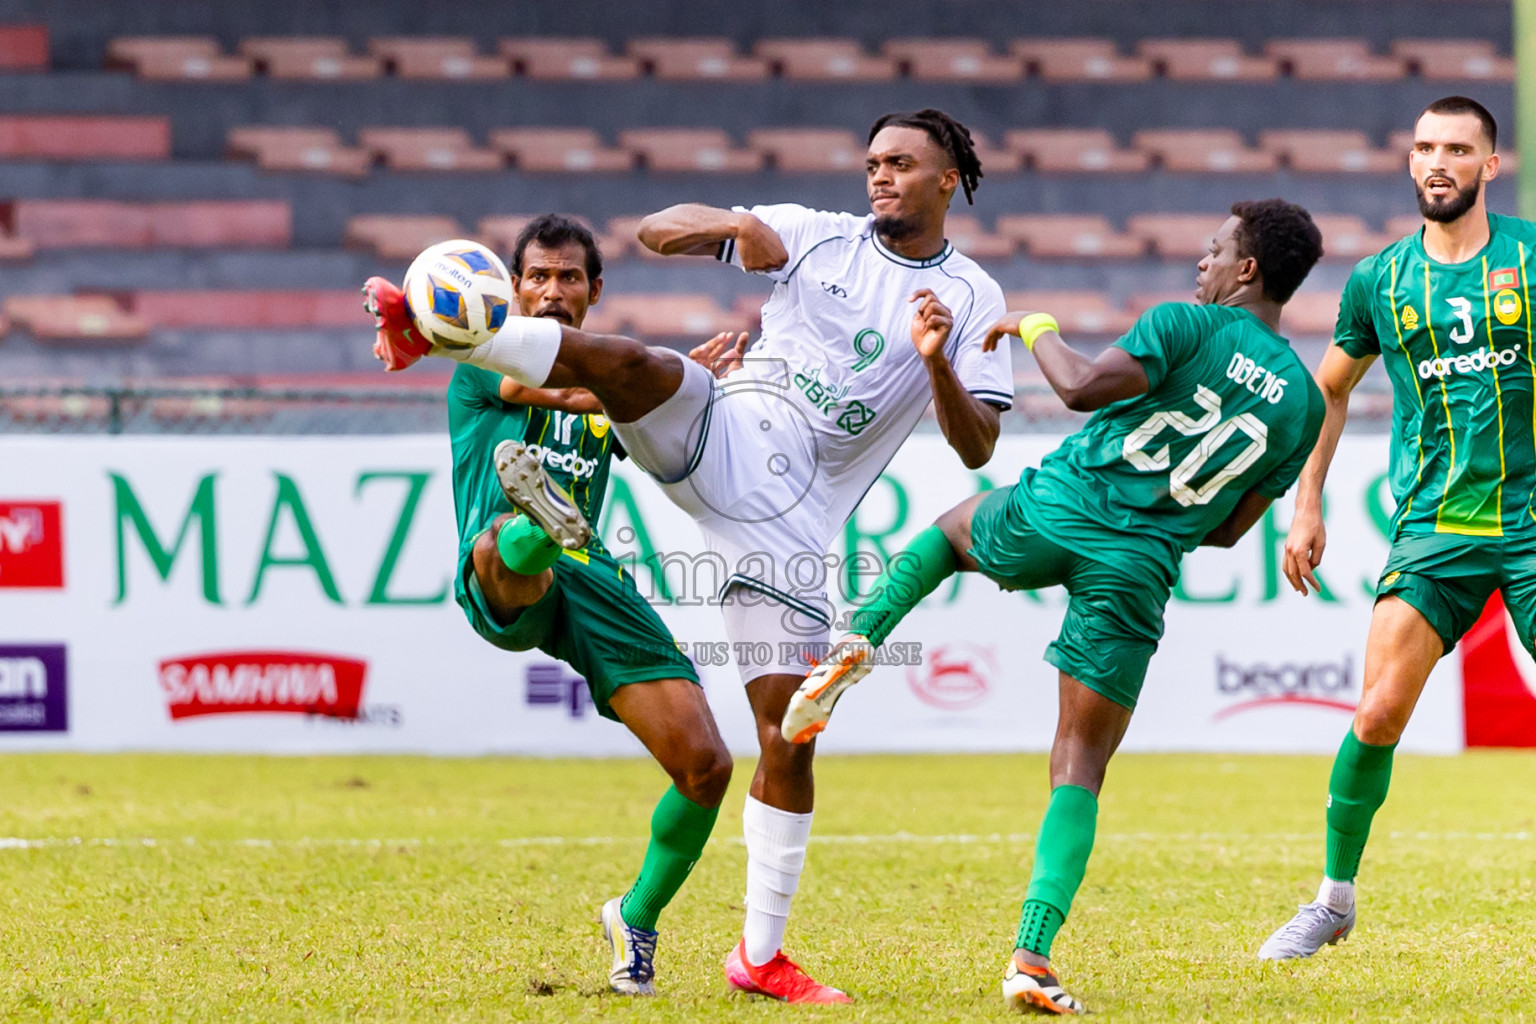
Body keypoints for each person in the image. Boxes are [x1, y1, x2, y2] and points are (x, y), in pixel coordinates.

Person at [365, 108, 1014, 1003]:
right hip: (723, 428)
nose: (879, 176)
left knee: (780, 738)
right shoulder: (815, 238)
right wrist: (734, 228)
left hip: (784, 525)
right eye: (871, 161)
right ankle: (465, 386)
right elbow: (653, 231)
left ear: (949, 179)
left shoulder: (976, 298)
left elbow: (977, 447)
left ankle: (756, 957)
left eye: (901, 163)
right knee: (643, 366)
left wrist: (937, 363)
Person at [780, 199, 1327, 1013]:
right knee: (1080, 765)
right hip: (1139, 564)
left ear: (1247, 270)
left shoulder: (1189, 324)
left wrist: (1035, 325)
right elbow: (1225, 534)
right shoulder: (1304, 407)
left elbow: (1076, 388)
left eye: (1214, 252)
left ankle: (857, 641)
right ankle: (1031, 958)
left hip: (1063, 506)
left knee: (948, 535)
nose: (1200, 265)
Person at [366, 214, 733, 996]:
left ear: (594, 291)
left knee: (707, 767)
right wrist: (656, 384)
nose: (553, 290)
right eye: (537, 276)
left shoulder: (611, 381)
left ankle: (634, 917)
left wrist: (679, 391)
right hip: (501, 570)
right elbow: (540, 383)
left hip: (590, 575)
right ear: (511, 287)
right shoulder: (478, 359)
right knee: (507, 541)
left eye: (570, 278)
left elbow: (667, 434)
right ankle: (532, 518)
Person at [1257, 96, 1536, 960]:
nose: (1438, 161)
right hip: (1432, 527)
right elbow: (1328, 390)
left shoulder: (1530, 258)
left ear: (1492, 166)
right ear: (1410, 163)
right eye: (1424, 148)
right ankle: (1334, 902)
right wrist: (1308, 501)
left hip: (1532, 520)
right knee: (1377, 712)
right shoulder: (1380, 280)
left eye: (1458, 148)